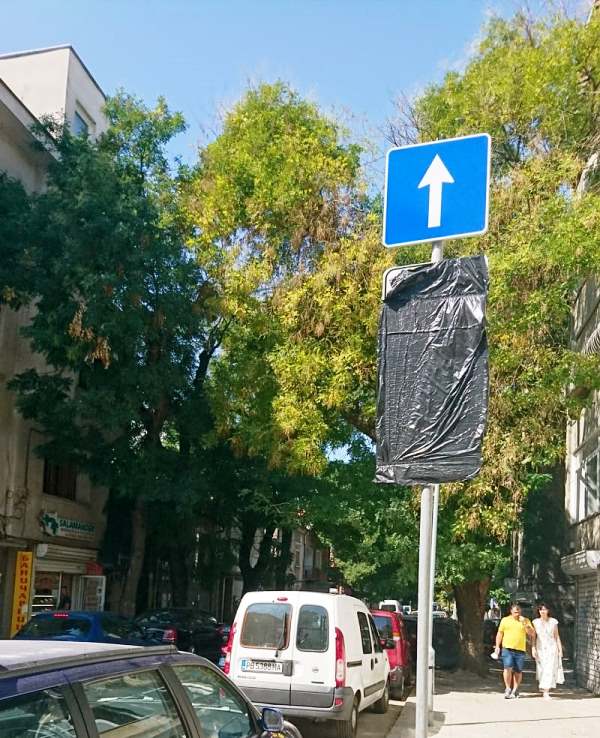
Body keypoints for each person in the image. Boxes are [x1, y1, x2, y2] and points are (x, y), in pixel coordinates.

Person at [494, 603, 536, 699]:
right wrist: (497, 646)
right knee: (507, 667)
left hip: (520, 649)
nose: (517, 613)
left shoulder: (525, 620)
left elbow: (532, 633)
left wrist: (525, 624)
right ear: (511, 612)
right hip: (507, 648)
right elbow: (500, 633)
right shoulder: (505, 620)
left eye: (518, 611)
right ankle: (508, 688)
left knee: (518, 670)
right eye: (515, 612)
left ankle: (515, 690)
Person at [532, 603, 564, 699]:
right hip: (540, 648)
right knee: (541, 668)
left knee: (549, 668)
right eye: (541, 609)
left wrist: (560, 649)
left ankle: (546, 691)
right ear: (538, 611)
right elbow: (533, 637)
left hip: (551, 648)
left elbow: (556, 636)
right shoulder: (535, 622)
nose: (543, 611)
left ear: (548, 611)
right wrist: (533, 648)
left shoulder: (553, 622)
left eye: (545, 609)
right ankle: (543, 687)